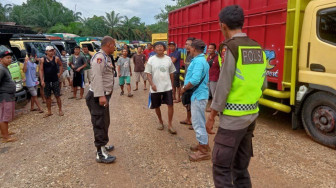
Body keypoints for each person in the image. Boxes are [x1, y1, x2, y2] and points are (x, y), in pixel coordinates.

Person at [206, 5, 267, 187]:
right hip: (251, 117)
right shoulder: (257, 47)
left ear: (223, 25)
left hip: (233, 120)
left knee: (221, 167)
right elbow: (263, 84)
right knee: (240, 168)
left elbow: (223, 86)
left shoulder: (229, 48)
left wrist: (211, 115)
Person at [86, 36, 116, 164]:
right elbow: (97, 77)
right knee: (99, 123)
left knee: (105, 121)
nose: (115, 48)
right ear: (109, 44)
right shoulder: (100, 57)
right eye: (114, 45)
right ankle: (100, 153)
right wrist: (101, 96)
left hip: (102, 95)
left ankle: (103, 145)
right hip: (98, 96)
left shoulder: (106, 57)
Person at [180, 39, 210, 161]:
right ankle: (203, 145)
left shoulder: (198, 62)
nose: (189, 49)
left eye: (190, 47)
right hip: (199, 94)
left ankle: (204, 152)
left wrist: (184, 88)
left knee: (198, 123)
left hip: (198, 95)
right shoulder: (201, 60)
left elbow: (195, 80)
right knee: (199, 121)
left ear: (194, 49)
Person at [145, 42, 177, 134]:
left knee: (170, 105)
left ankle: (170, 125)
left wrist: (172, 86)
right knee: (157, 106)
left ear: (164, 48)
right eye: (157, 47)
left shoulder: (168, 59)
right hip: (155, 88)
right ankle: (160, 121)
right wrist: (152, 84)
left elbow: (172, 73)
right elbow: (148, 73)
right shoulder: (151, 59)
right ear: (154, 49)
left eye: (161, 46)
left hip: (167, 87)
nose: (159, 48)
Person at [39, 46, 64, 117]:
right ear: (46, 52)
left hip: (55, 80)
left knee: (57, 96)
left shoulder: (56, 58)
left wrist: (60, 73)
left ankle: (60, 110)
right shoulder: (42, 59)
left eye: (52, 51)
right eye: (50, 51)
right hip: (47, 80)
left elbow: (61, 65)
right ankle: (49, 111)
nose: (51, 52)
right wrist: (42, 80)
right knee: (47, 97)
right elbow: (41, 70)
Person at [0, 50, 17, 143]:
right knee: (4, 117)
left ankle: (4, 132)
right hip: (4, 96)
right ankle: (5, 137)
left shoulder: (4, 67)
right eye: (7, 58)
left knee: (4, 116)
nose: (10, 60)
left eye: (10, 58)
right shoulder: (1, 69)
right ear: (1, 59)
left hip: (7, 95)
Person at [179, 37, 195, 129]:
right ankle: (188, 119)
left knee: (194, 104)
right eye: (186, 44)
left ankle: (195, 123)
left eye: (188, 44)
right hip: (186, 83)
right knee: (187, 103)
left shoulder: (195, 57)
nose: (186, 46)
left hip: (192, 85)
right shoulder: (188, 55)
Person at [206, 43, 220, 112]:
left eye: (211, 48)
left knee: (215, 94)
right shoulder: (208, 57)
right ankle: (212, 107)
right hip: (208, 78)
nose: (209, 49)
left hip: (215, 79)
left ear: (215, 49)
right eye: (208, 48)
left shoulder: (218, 58)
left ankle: (214, 109)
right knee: (209, 94)